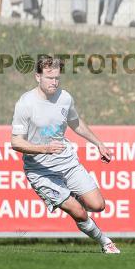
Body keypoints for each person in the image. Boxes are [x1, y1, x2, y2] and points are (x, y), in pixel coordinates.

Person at [10, 56, 120, 254]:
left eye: (57, 78)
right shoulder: (25, 104)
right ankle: (106, 242)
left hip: (67, 162)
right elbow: (16, 142)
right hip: (40, 170)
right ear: (37, 77)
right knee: (78, 211)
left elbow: (75, 123)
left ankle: (71, 196)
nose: (54, 82)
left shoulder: (65, 98)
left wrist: (99, 144)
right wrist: (44, 149)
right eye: (49, 77)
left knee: (98, 205)